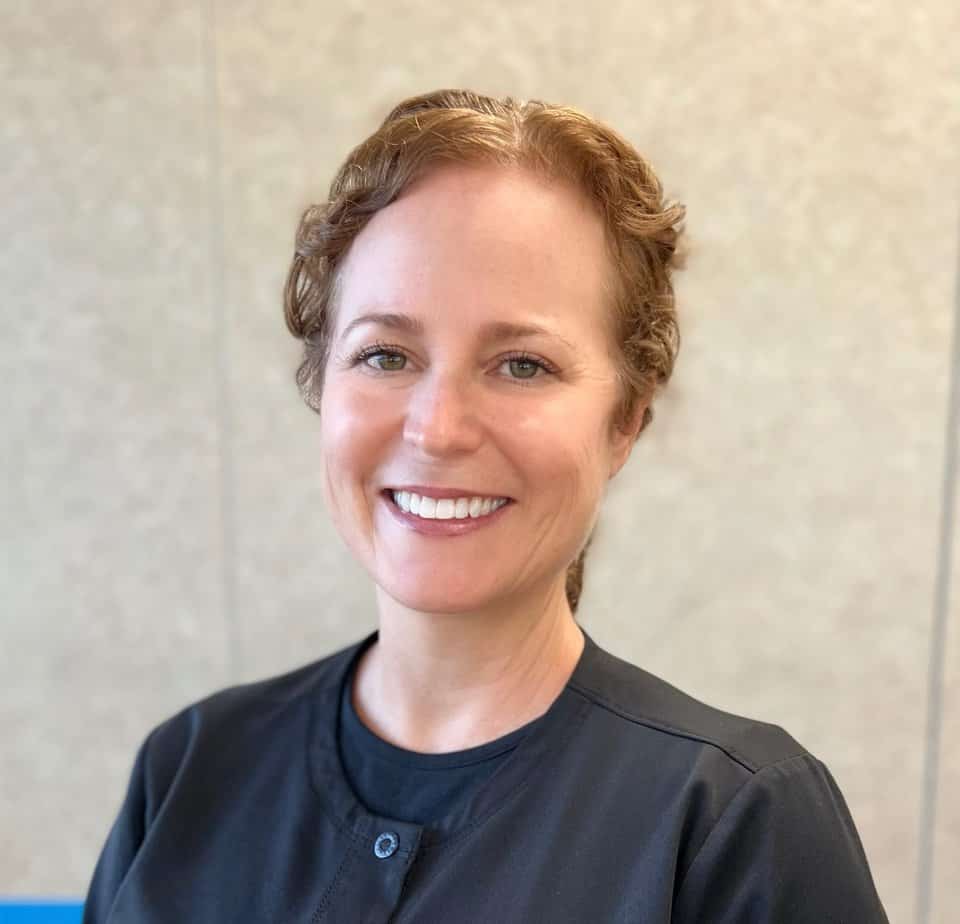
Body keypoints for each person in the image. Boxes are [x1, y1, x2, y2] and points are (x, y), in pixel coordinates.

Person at [82, 88, 889, 922]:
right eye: (386, 354)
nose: (437, 429)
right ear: (323, 384)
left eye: (522, 365)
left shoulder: (733, 823)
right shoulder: (189, 772)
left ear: (625, 422)